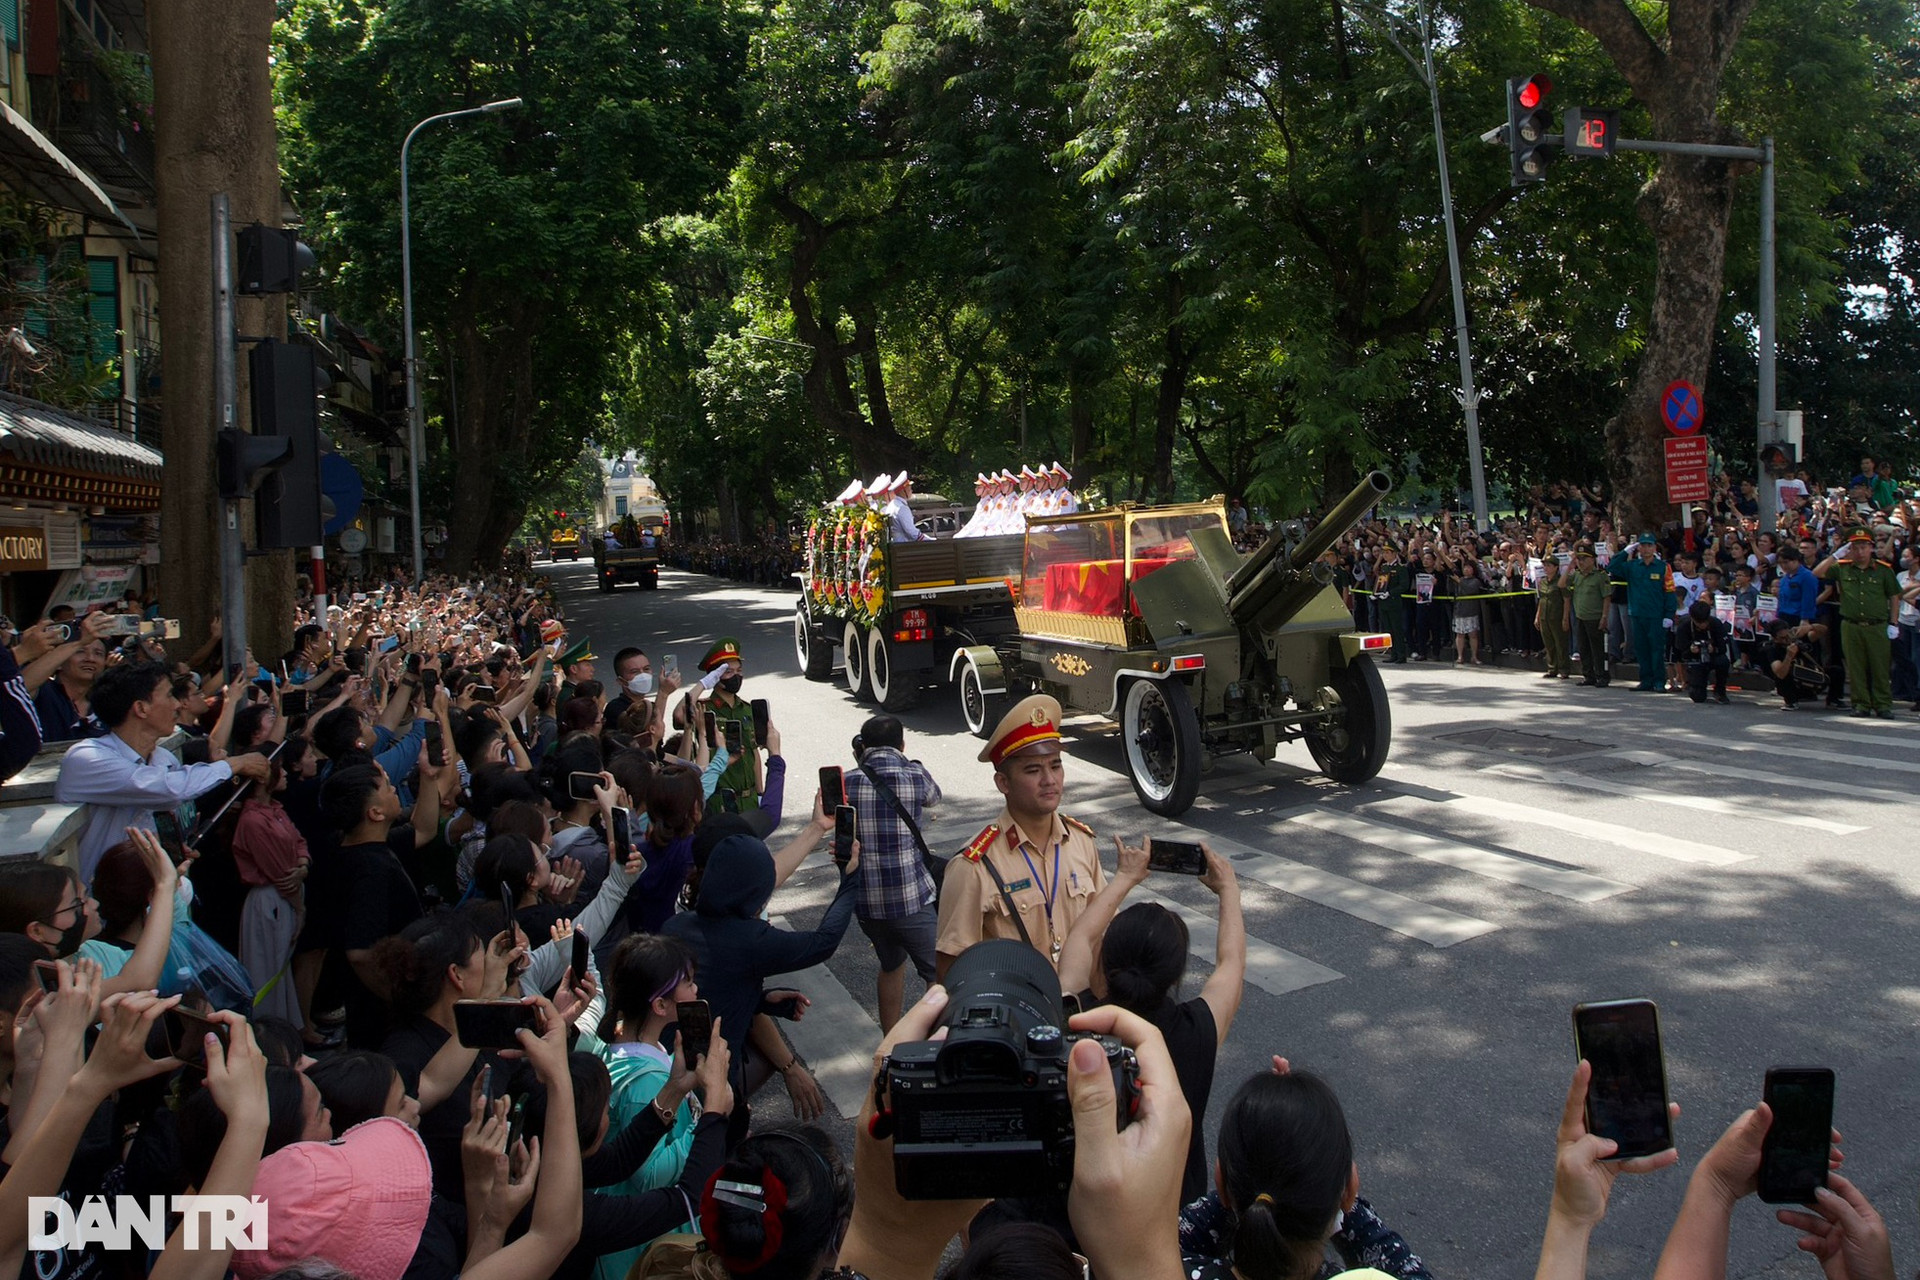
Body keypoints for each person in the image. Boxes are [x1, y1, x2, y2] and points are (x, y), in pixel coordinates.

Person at [1058, 836, 1245, 1207]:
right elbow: (1231, 964)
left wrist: (1125, 877)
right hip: (1172, 1210)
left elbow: (1079, 937)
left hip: (1086, 1209)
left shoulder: (1076, 1016)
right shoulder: (1197, 1031)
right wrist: (1229, 891)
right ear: (1175, 975)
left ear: (1105, 962)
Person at [1179, 1069, 1431, 1280]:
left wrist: (1245, 1180)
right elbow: (1406, 1268)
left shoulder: (1161, 1270)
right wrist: (1330, 1187)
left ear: (1221, 1183)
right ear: (1350, 1189)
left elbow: (1171, 1238)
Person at [54, 659, 272, 882]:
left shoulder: (164, 759)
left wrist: (171, 849)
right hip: (101, 904)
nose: (178, 705)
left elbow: (163, 815)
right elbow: (167, 788)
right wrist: (236, 764)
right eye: (169, 695)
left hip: (155, 897)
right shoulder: (86, 758)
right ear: (141, 708)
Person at [936, 694, 1105, 977]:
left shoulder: (1081, 842)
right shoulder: (974, 866)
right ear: (1003, 783)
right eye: (1032, 770)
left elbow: (1103, 933)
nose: (1049, 780)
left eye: (1055, 765)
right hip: (1018, 1014)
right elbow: (951, 968)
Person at [843, 713, 943, 1030]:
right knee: (938, 976)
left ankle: (889, 1041)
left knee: (891, 965)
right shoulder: (913, 775)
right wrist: (910, 760)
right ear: (901, 744)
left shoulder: (847, 782)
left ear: (863, 745)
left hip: (868, 904)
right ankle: (931, 1043)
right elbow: (934, 796)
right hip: (911, 900)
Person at [231, 752, 311, 1025]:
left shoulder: (275, 809)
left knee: (280, 967)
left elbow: (299, 841)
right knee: (268, 970)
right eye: (280, 770)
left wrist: (303, 865)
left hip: (285, 897)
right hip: (271, 901)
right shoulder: (253, 821)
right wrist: (300, 908)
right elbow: (278, 872)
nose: (286, 774)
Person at [1812, 527, 1902, 718]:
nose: (1860, 551)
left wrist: (1894, 623)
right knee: (1855, 667)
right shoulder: (1842, 567)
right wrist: (1836, 554)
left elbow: (1894, 596)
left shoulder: (1883, 570)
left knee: (1879, 667)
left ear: (1871, 548)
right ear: (1850, 549)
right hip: (1851, 624)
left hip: (1877, 625)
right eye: (1855, 547)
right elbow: (1817, 572)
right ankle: (1861, 704)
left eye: (1864, 547)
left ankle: (1882, 704)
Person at [698, 638, 758, 809]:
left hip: (750, 799)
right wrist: (703, 685)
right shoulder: (703, 709)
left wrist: (760, 792)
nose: (736, 676)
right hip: (719, 800)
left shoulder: (746, 709)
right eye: (728, 672)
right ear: (714, 675)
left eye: (739, 670)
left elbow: (754, 753)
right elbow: (680, 715)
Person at [1621, 534, 1676, 692]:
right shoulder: (1632, 566)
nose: (1646, 549)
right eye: (1643, 545)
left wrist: (1669, 615)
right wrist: (1625, 552)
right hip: (1637, 613)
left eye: (1649, 545)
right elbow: (1613, 567)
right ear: (1638, 547)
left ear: (1654, 548)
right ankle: (1646, 680)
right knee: (1641, 649)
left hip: (1656, 615)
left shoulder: (1663, 567)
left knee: (1657, 649)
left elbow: (1670, 591)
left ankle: (1659, 681)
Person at [1569, 544, 1611, 687]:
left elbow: (1606, 597)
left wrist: (1604, 616)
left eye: (1584, 559)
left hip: (1595, 617)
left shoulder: (1600, 576)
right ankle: (1588, 676)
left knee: (1597, 649)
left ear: (1592, 560)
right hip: (1580, 616)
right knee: (1583, 648)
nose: (1581, 562)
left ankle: (1601, 676)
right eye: (1578, 559)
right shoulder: (1576, 575)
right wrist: (1570, 564)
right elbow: (1562, 584)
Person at [1675, 599, 1731, 704]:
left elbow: (1723, 647)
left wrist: (1713, 649)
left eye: (1705, 622)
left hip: (1713, 656)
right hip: (1695, 659)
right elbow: (1680, 650)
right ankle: (1697, 687)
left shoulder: (1716, 623)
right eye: (1698, 622)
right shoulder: (1684, 626)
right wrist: (1690, 650)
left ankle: (1720, 690)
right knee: (1698, 697)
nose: (1702, 625)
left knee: (1723, 662)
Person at [1535, 559, 1572, 679]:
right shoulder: (1543, 582)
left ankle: (1564, 669)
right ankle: (1552, 668)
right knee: (1548, 643)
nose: (1546, 568)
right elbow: (1541, 599)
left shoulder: (1560, 582)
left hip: (1557, 616)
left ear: (1556, 567)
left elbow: (1566, 600)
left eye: (1549, 565)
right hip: (1545, 617)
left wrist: (1565, 618)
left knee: (1560, 643)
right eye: (1544, 565)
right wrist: (1537, 616)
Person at [884, 472, 933, 542]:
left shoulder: (892, 505)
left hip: (896, 544)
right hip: (904, 546)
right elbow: (912, 532)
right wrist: (930, 540)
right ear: (903, 491)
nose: (911, 490)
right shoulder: (901, 508)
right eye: (909, 488)